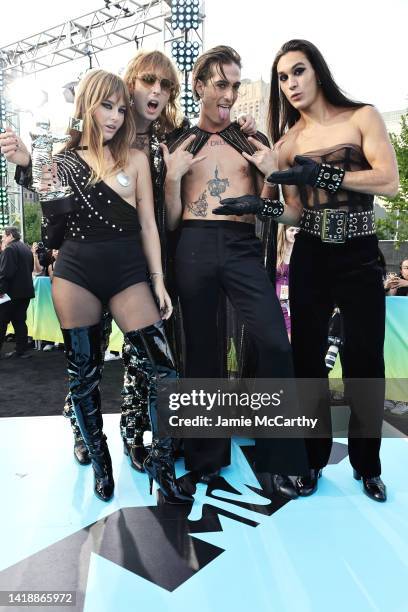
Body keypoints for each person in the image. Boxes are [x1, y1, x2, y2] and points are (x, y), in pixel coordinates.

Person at [1, 50, 256, 472]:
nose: (156, 91)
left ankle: (135, 435)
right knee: (90, 354)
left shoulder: (172, 135)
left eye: (166, 85)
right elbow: (57, 177)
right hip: (91, 263)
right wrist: (27, 164)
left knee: (147, 359)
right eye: (148, 82)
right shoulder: (96, 134)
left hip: (153, 261)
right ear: (129, 84)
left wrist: (241, 125)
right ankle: (82, 431)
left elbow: (211, 142)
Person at [214, 39, 399, 502]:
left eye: (297, 71)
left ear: (316, 71)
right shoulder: (288, 141)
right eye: (282, 77)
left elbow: (390, 183)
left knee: (364, 361)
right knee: (307, 362)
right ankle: (313, 460)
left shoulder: (362, 117)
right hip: (312, 253)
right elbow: (294, 214)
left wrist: (329, 176)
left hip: (358, 251)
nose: (291, 83)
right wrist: (262, 206)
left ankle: (367, 464)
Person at [36, 68, 193, 504]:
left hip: (128, 273)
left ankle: (161, 467)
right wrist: (33, 171)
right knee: (82, 376)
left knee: (165, 370)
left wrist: (158, 281)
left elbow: (148, 224)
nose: (115, 117)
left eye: (121, 109)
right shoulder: (62, 162)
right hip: (76, 273)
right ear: (87, 104)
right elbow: (52, 232)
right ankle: (101, 466)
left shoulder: (136, 159)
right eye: (107, 106)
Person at [164, 45, 308, 497]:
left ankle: (282, 456)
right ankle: (206, 458)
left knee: (275, 343)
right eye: (221, 84)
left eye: (235, 85)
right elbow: (170, 221)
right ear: (199, 85)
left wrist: (271, 172)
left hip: (242, 247)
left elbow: (280, 211)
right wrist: (171, 179)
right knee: (202, 353)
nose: (229, 94)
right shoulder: (179, 145)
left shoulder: (255, 141)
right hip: (192, 243)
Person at [0, 226, 34, 359]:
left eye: (4, 235)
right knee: (19, 321)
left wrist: (0, 290)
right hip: (25, 292)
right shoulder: (26, 248)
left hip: (10, 294)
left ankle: (20, 350)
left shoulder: (9, 249)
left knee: (2, 321)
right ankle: (21, 350)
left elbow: (5, 273)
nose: (3, 238)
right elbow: (30, 269)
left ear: (10, 236)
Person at [275, 225, 299, 339]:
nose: (295, 233)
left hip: (292, 305)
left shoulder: (300, 252)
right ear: (284, 231)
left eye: (297, 230)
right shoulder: (276, 252)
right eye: (291, 230)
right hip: (276, 305)